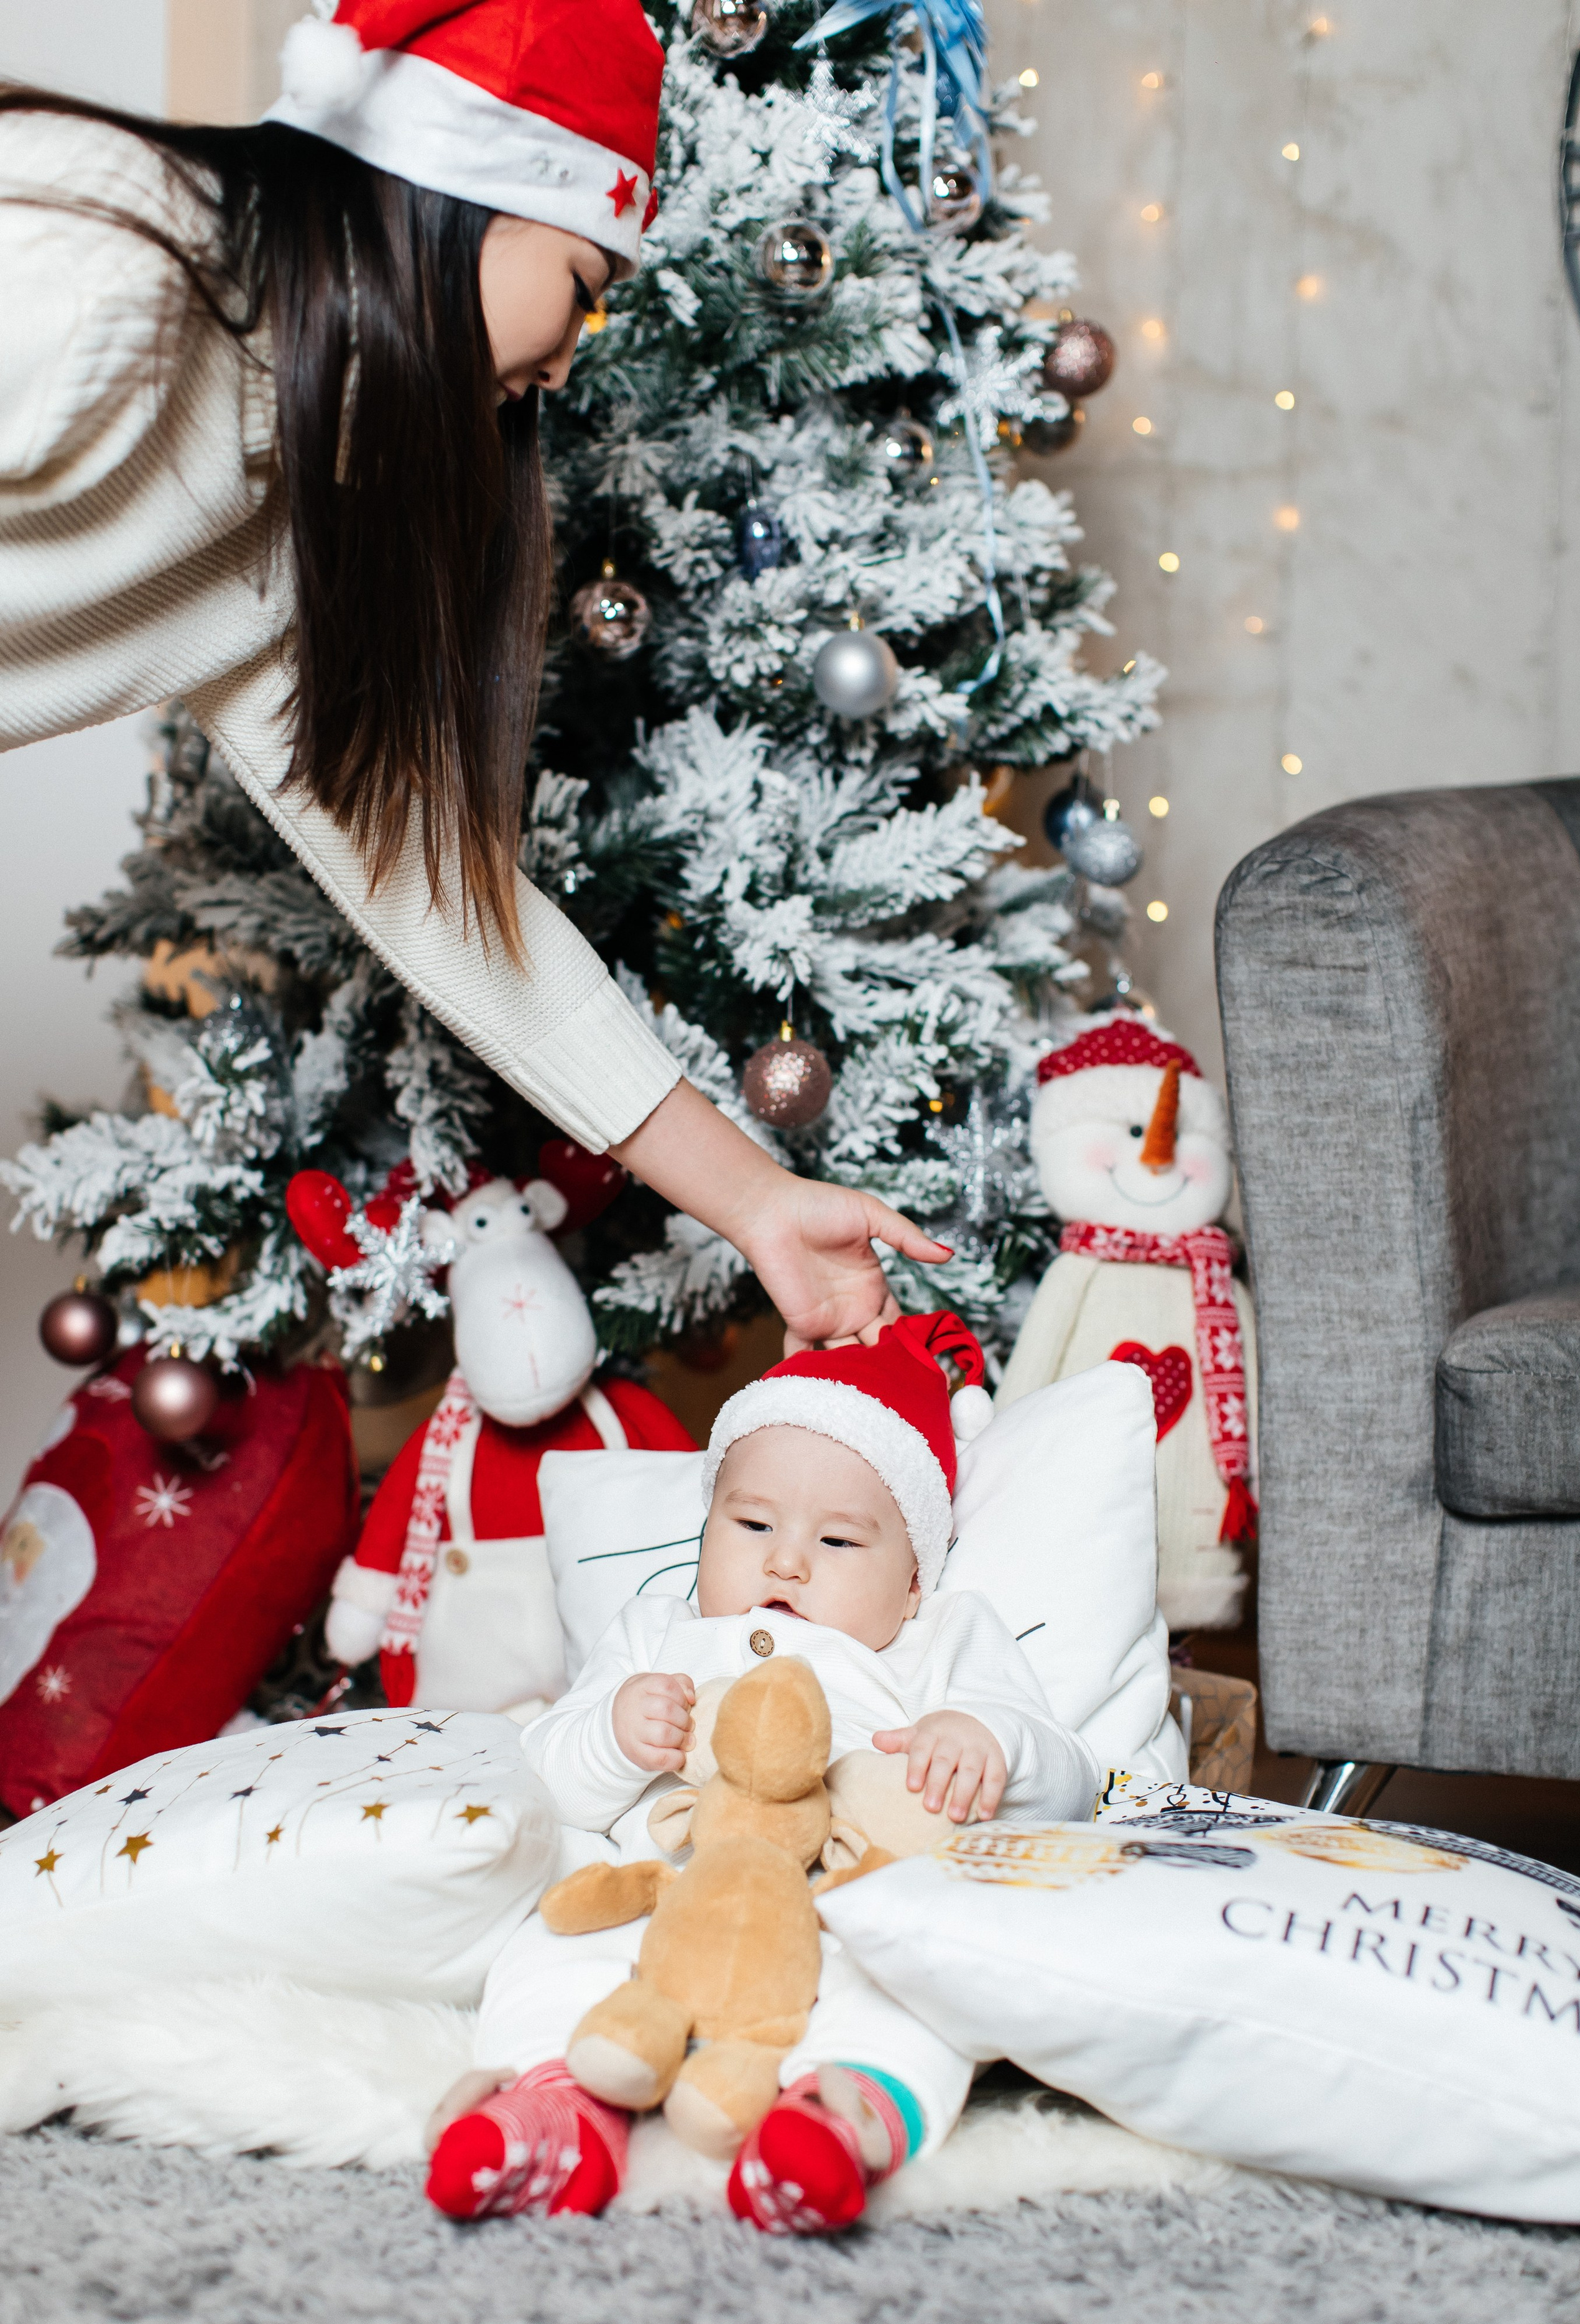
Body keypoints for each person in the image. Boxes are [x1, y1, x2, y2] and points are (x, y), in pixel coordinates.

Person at [0, 0, 947, 1350]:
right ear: (464, 195)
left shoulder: (295, 534)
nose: (567, 360)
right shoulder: (115, 258)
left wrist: (752, 1199)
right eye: (579, 283)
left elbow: (443, 901)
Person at [425, 1314, 1100, 2233]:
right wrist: (618, 1738)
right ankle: (555, 2104)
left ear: (912, 1583)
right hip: (660, 1893)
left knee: (923, 1974)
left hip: (845, 1897)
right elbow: (552, 1774)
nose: (784, 1560)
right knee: (555, 1939)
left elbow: (1070, 1781)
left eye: (838, 1544)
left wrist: (987, 1741)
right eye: (750, 1524)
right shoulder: (658, 1632)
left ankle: (838, 2113)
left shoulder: (941, 1637)